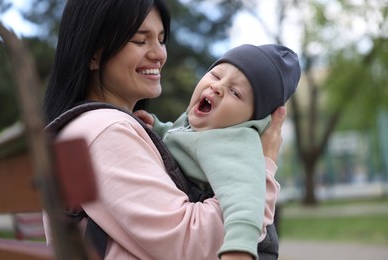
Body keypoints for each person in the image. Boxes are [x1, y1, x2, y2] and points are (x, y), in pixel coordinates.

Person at [42, 0, 288, 259]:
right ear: (93, 53)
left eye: (161, 39)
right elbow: (189, 244)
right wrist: (262, 167)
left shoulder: (95, 128)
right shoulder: (106, 132)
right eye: (140, 40)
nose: (159, 54)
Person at [134, 43, 301, 259]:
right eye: (215, 74)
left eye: (235, 92)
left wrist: (238, 249)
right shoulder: (200, 124)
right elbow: (182, 138)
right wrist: (158, 128)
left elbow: (247, 199)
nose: (218, 86)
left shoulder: (236, 144)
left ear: (252, 119)